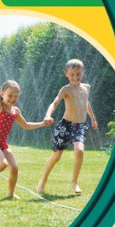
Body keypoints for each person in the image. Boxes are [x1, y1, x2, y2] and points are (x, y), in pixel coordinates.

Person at [37, 59, 98, 195]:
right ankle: (42, 180)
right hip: (66, 126)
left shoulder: (86, 88)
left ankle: (74, 182)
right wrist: (47, 115)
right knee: (56, 157)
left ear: (83, 73)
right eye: (72, 74)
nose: (75, 77)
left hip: (80, 126)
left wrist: (93, 119)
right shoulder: (66, 89)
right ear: (66, 74)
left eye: (78, 74)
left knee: (79, 151)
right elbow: (54, 103)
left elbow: (86, 103)